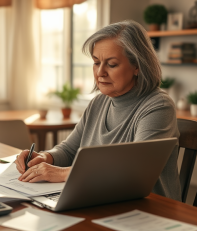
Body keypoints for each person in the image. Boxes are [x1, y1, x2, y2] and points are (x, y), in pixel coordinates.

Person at [15, 20, 181, 201]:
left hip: (150, 211)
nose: (100, 73)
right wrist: (45, 158)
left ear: (137, 66)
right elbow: (70, 150)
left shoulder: (158, 106)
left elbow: (133, 171)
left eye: (111, 64)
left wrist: (62, 173)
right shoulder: (98, 103)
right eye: (96, 62)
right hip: (101, 200)